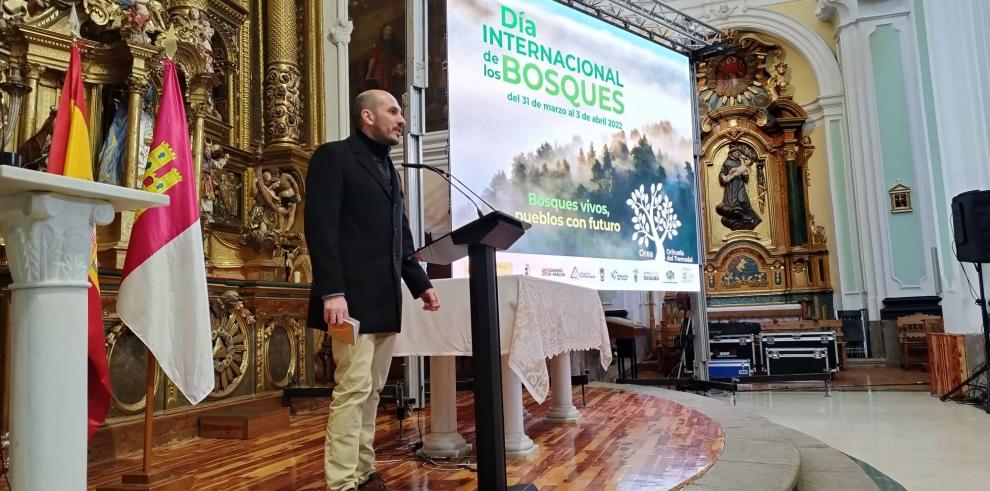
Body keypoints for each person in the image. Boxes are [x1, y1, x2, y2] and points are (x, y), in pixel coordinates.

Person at [305, 89, 440, 491]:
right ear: (367, 116)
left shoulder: (389, 170)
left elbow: (401, 235)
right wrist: (332, 290)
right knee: (353, 389)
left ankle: (363, 472)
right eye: (393, 111)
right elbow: (321, 226)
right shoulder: (334, 157)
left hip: (384, 300)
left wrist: (420, 285)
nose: (401, 119)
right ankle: (342, 482)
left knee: (373, 391)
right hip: (349, 300)